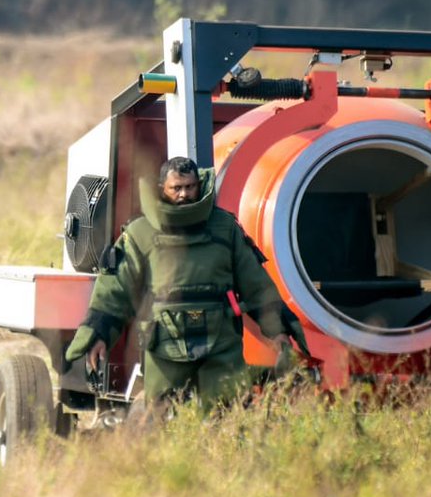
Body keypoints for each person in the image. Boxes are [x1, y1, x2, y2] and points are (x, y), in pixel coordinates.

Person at [65, 156, 307, 413]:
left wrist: (279, 331)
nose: (184, 195)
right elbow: (114, 291)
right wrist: (99, 334)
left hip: (221, 342)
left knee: (226, 412)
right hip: (165, 344)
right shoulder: (140, 234)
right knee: (161, 417)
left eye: (190, 187)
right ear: (162, 189)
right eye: (176, 188)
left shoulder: (224, 228)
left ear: (199, 186)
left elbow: (256, 285)